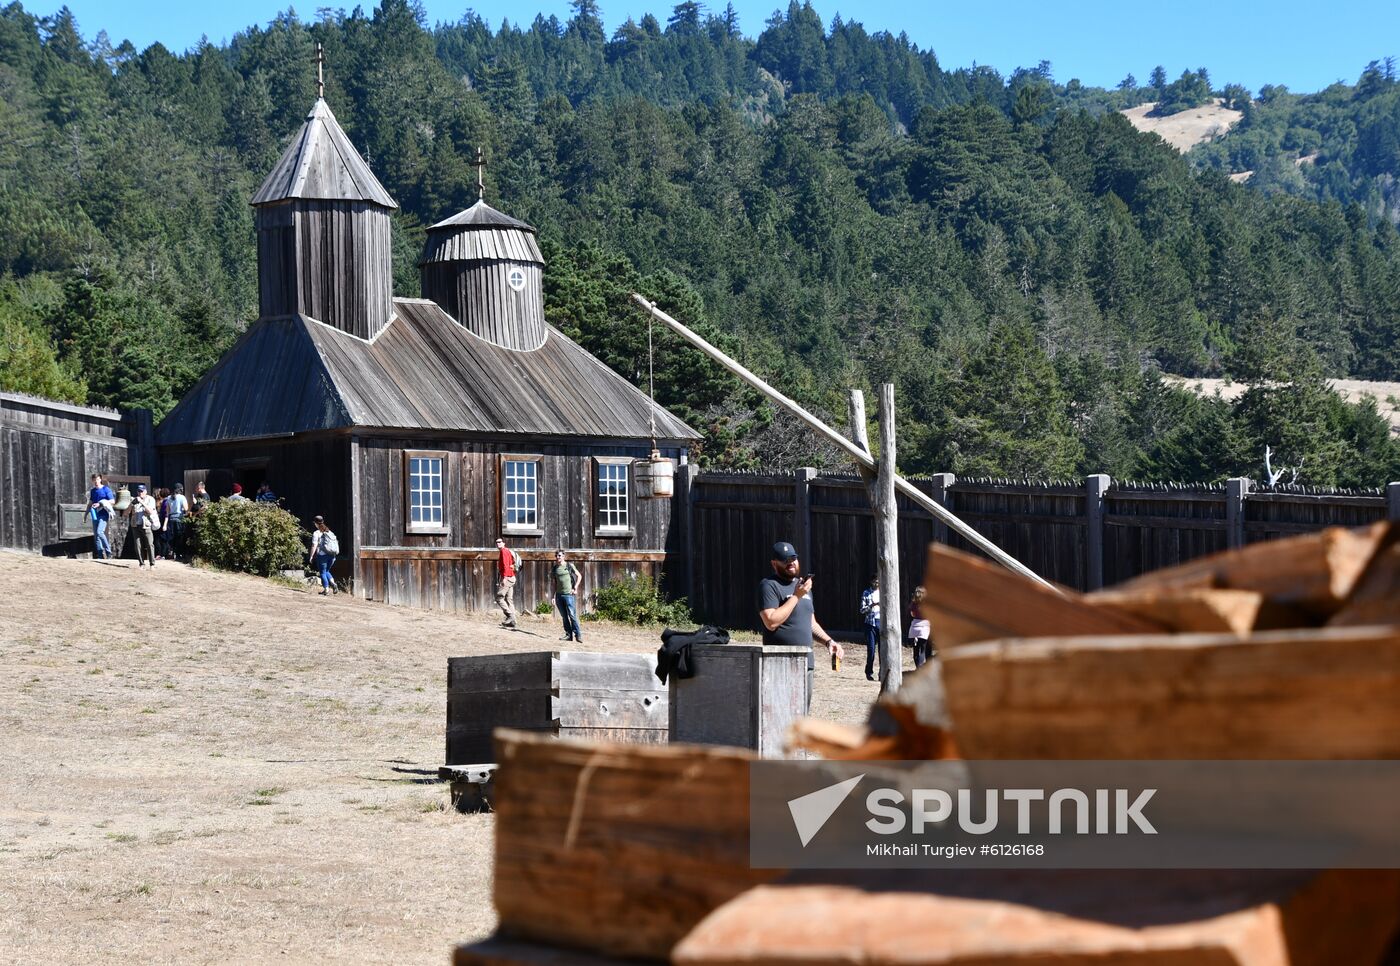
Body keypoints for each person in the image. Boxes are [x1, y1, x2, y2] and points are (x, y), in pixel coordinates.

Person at [758, 541, 843, 713]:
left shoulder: (803, 586)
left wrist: (829, 641)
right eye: (785, 560)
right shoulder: (769, 585)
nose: (791, 563)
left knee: (801, 716)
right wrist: (797, 595)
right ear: (774, 564)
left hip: (806, 664)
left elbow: (810, 623)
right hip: (781, 663)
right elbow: (771, 621)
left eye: (793, 559)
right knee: (780, 716)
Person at [552, 549, 584, 642]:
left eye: (560, 555)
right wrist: (553, 596)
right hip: (559, 595)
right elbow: (554, 583)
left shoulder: (569, 566)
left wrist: (575, 588)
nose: (558, 557)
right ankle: (568, 635)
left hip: (569, 595)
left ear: (563, 556)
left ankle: (578, 635)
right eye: (557, 555)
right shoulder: (555, 568)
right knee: (564, 616)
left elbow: (579, 576)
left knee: (572, 615)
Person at [125, 483, 159, 567]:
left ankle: (152, 564)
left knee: (150, 544)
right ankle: (141, 563)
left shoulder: (150, 499)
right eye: (139, 491)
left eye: (142, 491)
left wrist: (142, 502)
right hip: (135, 525)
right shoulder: (133, 500)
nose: (140, 493)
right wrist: (132, 504)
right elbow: (126, 513)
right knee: (137, 545)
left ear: (145, 491)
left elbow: (150, 511)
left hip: (146, 525)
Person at [308, 515, 339, 595]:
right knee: (327, 571)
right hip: (332, 555)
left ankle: (326, 589)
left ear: (316, 523)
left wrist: (311, 556)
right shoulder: (329, 531)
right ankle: (333, 584)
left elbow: (314, 545)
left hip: (322, 556)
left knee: (322, 572)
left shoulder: (316, 533)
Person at [859, 573, 881, 682]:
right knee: (871, 649)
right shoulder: (866, 593)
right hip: (870, 623)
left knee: (882, 650)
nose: (876, 583)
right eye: (874, 581)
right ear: (871, 582)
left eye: (878, 581)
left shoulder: (883, 592)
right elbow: (862, 610)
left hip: (881, 622)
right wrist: (871, 606)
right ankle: (869, 672)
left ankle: (882, 672)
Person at [495, 537, 520, 628]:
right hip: (512, 577)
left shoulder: (503, 551)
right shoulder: (508, 551)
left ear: (504, 543)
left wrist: (504, 578)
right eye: (497, 542)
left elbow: (506, 565)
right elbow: (512, 563)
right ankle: (513, 622)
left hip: (508, 578)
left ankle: (510, 616)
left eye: (500, 542)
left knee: (499, 597)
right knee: (509, 600)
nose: (498, 544)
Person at [87, 473, 114, 560]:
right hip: (95, 514)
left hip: (104, 514)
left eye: (97, 479)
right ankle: (100, 555)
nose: (96, 481)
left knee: (100, 532)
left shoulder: (106, 489)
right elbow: (90, 503)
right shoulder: (93, 491)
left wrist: (100, 503)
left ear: (100, 479)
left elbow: (112, 501)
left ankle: (108, 552)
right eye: (94, 480)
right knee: (96, 536)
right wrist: (85, 514)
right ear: (92, 480)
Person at [909, 585, 933, 668]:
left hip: (914, 627)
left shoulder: (913, 603)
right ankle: (922, 668)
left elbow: (912, 614)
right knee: (923, 650)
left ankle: (917, 667)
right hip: (925, 627)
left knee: (915, 649)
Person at [165, 483, 189, 561]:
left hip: (171, 518)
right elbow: (186, 508)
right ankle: (178, 555)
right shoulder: (182, 497)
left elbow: (167, 511)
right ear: (180, 489)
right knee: (179, 537)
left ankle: (171, 553)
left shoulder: (169, 497)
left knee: (172, 537)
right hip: (179, 518)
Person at [155, 487, 172, 559]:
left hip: (164, 521)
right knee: (162, 538)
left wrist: (164, 524)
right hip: (164, 521)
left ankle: (163, 554)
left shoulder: (166, 502)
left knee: (163, 538)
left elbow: (166, 514)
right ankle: (165, 553)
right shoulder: (167, 501)